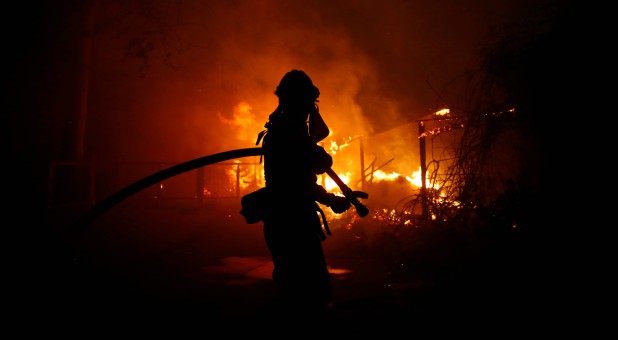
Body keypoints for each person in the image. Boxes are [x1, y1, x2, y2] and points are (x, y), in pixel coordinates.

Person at [254, 69, 353, 320]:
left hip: (284, 219)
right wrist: (330, 198)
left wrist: (328, 198)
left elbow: (300, 179)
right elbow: (298, 181)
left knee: (298, 289)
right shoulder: (287, 133)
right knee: (308, 292)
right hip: (292, 221)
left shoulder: (285, 130)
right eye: (308, 101)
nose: (311, 107)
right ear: (298, 100)